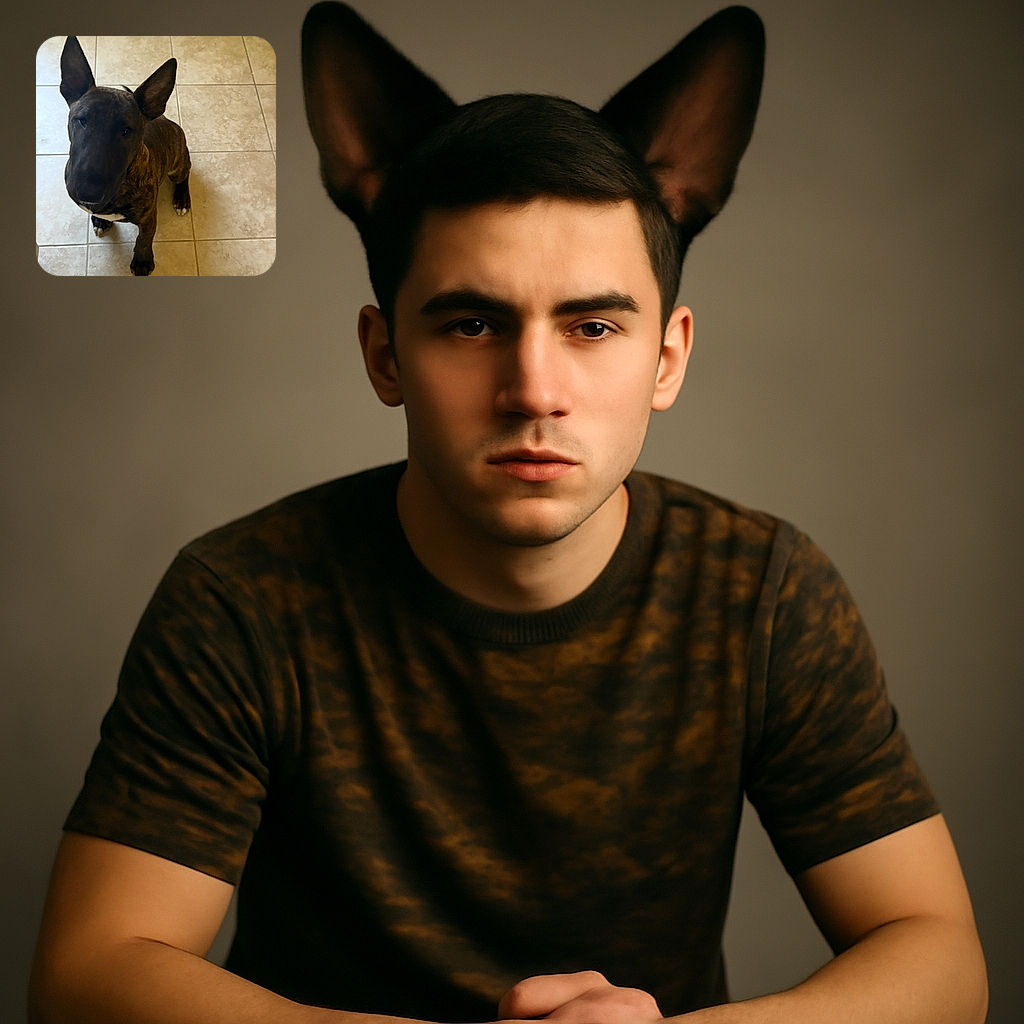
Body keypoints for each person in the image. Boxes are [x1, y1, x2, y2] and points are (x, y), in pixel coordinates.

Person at [29, 4, 987, 1023]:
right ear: (385, 354)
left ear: (665, 358)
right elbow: (87, 973)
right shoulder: (242, 600)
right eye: (474, 323)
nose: (534, 388)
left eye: (592, 324)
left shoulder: (761, 592)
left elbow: (938, 959)